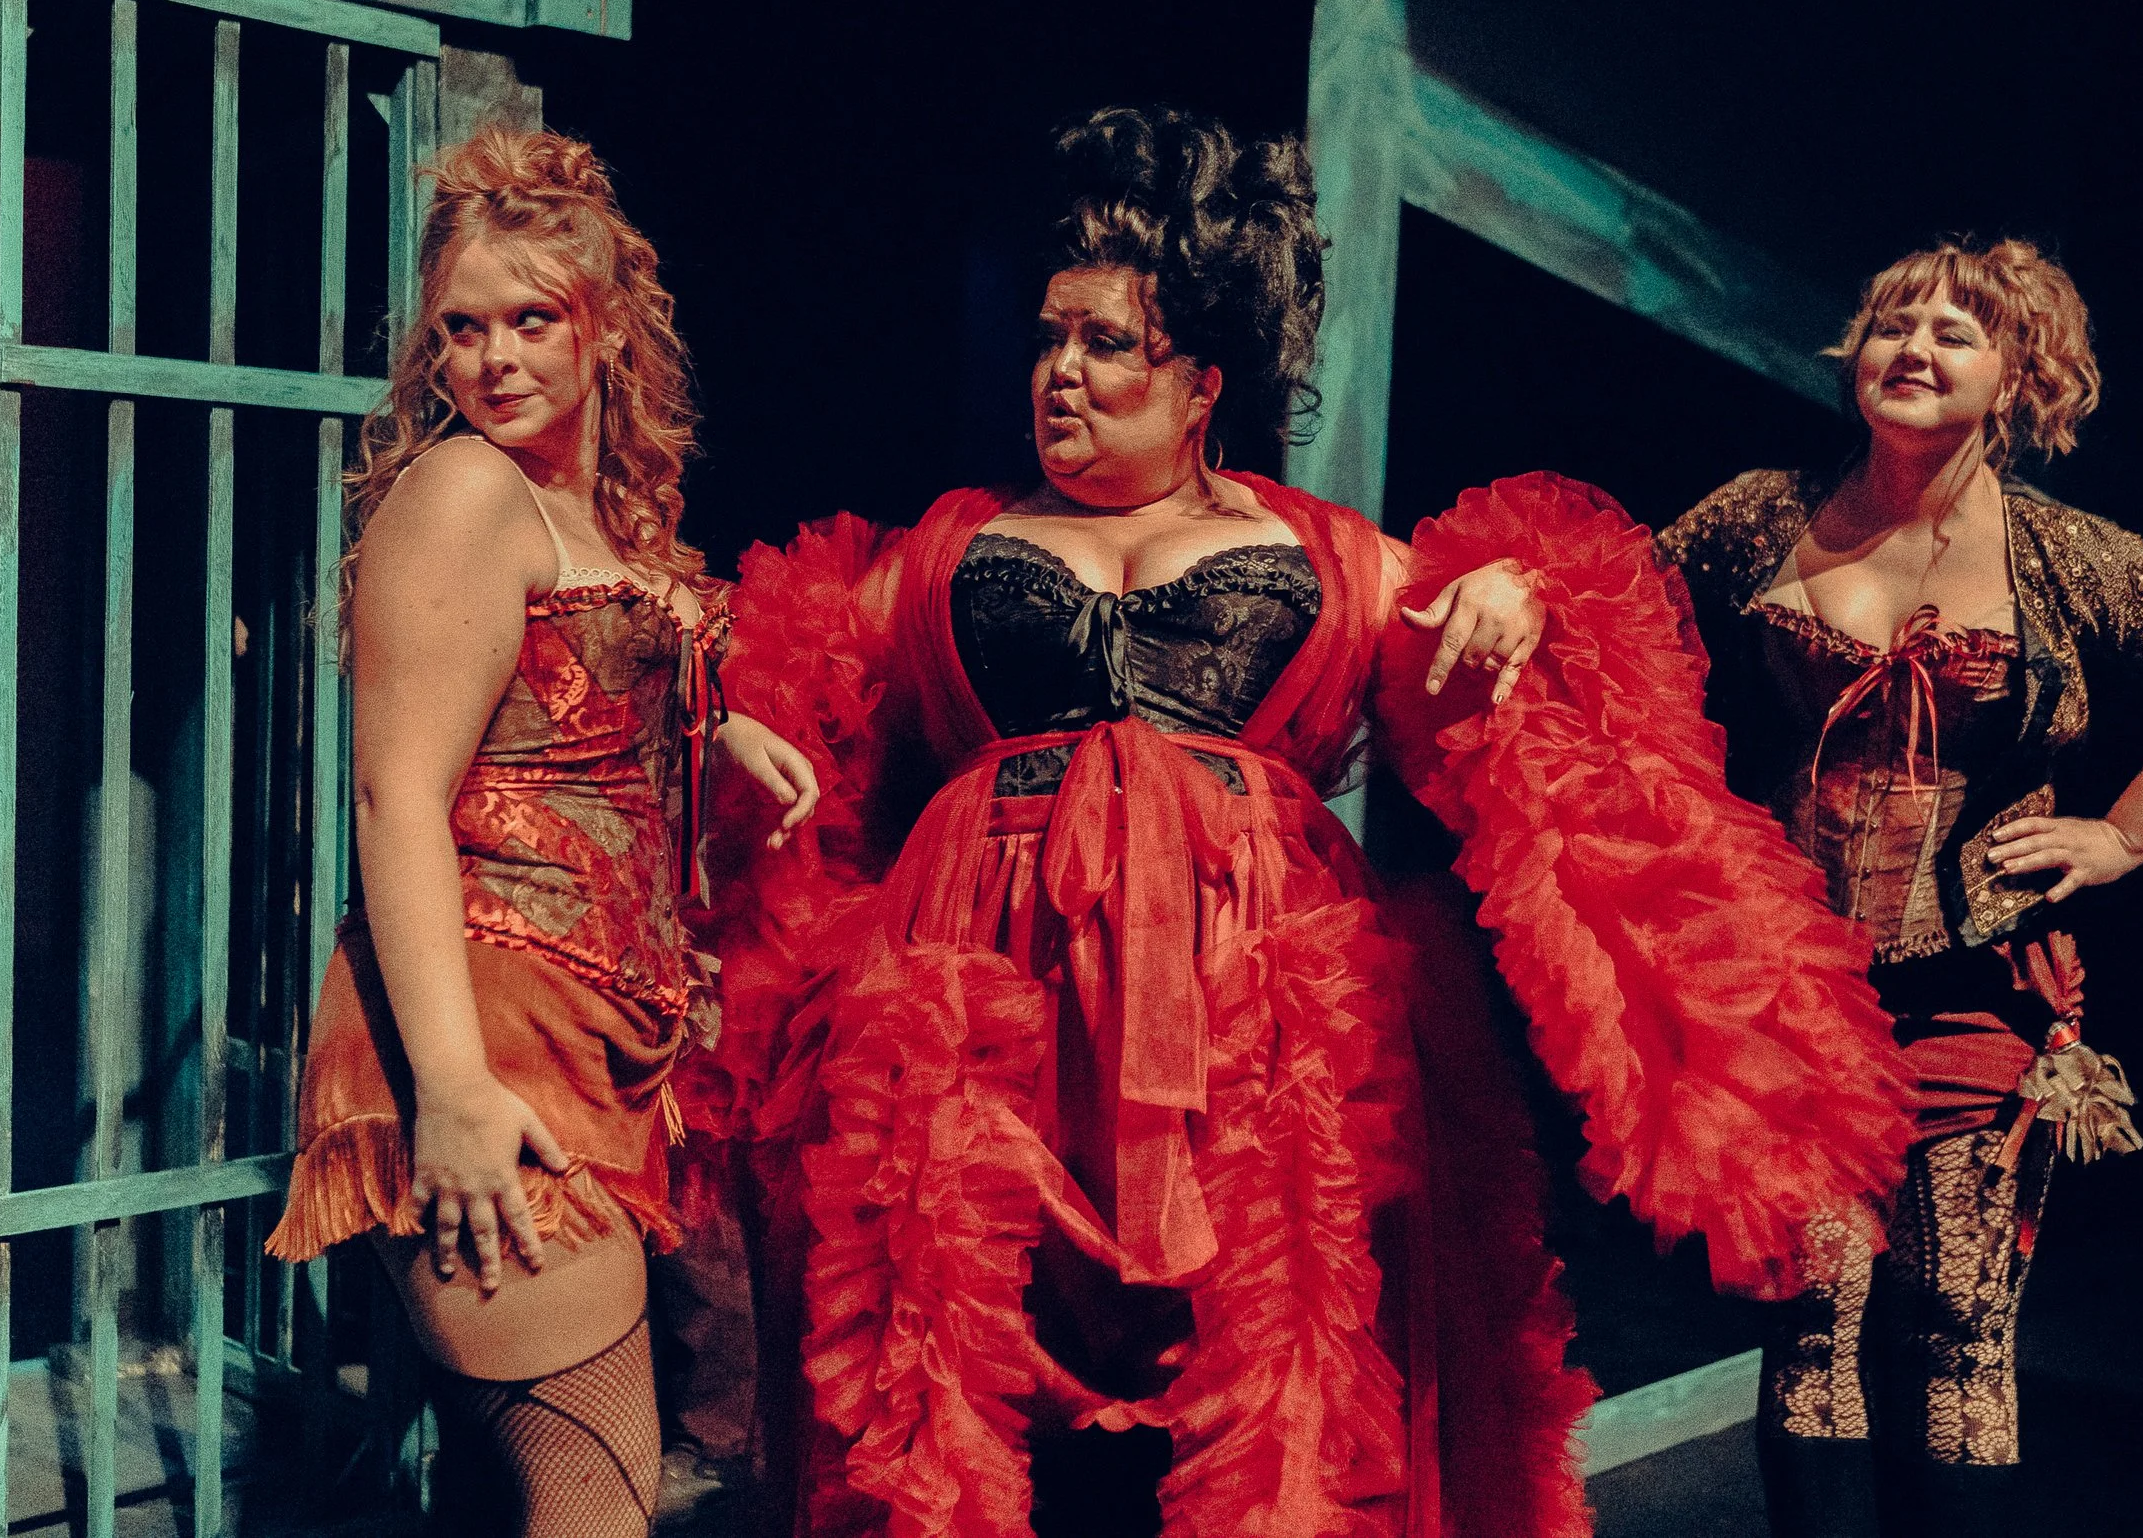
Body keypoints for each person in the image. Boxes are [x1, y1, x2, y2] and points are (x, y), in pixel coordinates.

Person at [689, 106, 1913, 1538]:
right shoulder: (949, 545)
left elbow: (1556, 761)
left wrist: (1519, 593)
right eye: (1048, 337)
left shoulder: (1320, 556)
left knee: (1267, 1408)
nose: (1060, 371)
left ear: (1202, 381)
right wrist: (735, 720)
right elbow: (779, 686)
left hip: (1248, 1027)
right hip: (990, 1024)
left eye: (1105, 343)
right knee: (966, 1410)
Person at [1656, 240, 2143, 1537]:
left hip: (1978, 983)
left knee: (1957, 1323)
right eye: (1894, 323)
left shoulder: (2061, 554)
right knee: (1813, 1317)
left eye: (1954, 333)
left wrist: (2121, 837)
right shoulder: (1764, 513)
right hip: (1796, 987)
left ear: (2017, 376)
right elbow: (1614, 611)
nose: (1914, 349)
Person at [266, 129, 817, 1538]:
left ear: (605, 327)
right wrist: (452, 1089)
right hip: (487, 1030)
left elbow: (562, 687)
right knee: (595, 1503)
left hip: (592, 1034)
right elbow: (396, 796)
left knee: (579, 1495)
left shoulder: (586, 506)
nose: (493, 359)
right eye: (461, 329)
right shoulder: (466, 489)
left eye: (530, 319)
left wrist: (709, 725)